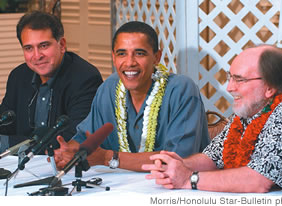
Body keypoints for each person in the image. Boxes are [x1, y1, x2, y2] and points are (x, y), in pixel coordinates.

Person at [54, 21, 210, 172]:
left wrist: (109, 158)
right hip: (120, 188)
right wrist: (69, 152)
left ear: (157, 57)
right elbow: (84, 137)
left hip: (179, 190)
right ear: (114, 57)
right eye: (122, 54)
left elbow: (177, 160)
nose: (129, 62)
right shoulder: (109, 88)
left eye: (140, 53)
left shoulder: (181, 90)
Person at [142, 45, 282, 192]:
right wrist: (174, 165)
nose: (230, 87)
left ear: (270, 87)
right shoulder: (248, 112)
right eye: (230, 77)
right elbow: (212, 157)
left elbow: (259, 180)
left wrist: (188, 179)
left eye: (239, 79)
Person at [0, 11, 103, 152]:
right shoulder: (18, 76)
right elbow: (5, 124)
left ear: (62, 45)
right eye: (29, 48)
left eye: (44, 46)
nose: (37, 56)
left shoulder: (85, 78)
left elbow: (74, 139)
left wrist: (7, 143)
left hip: (67, 168)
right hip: (21, 166)